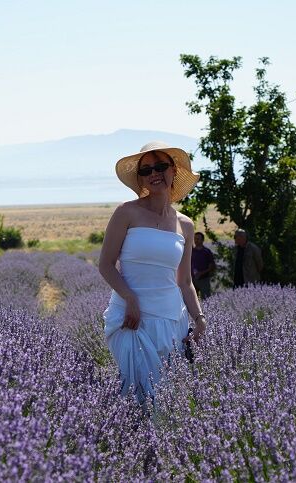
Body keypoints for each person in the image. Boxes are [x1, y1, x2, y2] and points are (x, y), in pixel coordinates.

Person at [99, 141, 205, 403]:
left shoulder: (185, 225)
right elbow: (105, 264)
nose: (155, 174)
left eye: (160, 166)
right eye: (146, 170)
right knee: (138, 397)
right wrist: (130, 298)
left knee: (166, 400)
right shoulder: (127, 212)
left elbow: (185, 282)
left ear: (174, 172)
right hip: (131, 319)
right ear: (140, 178)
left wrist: (199, 318)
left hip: (172, 321)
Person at [191, 232, 215, 299]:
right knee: (192, 300)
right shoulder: (191, 251)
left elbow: (212, 266)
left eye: (198, 239)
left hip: (204, 279)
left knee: (206, 299)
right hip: (192, 280)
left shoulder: (207, 252)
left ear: (202, 240)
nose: (196, 240)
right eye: (195, 239)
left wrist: (201, 273)